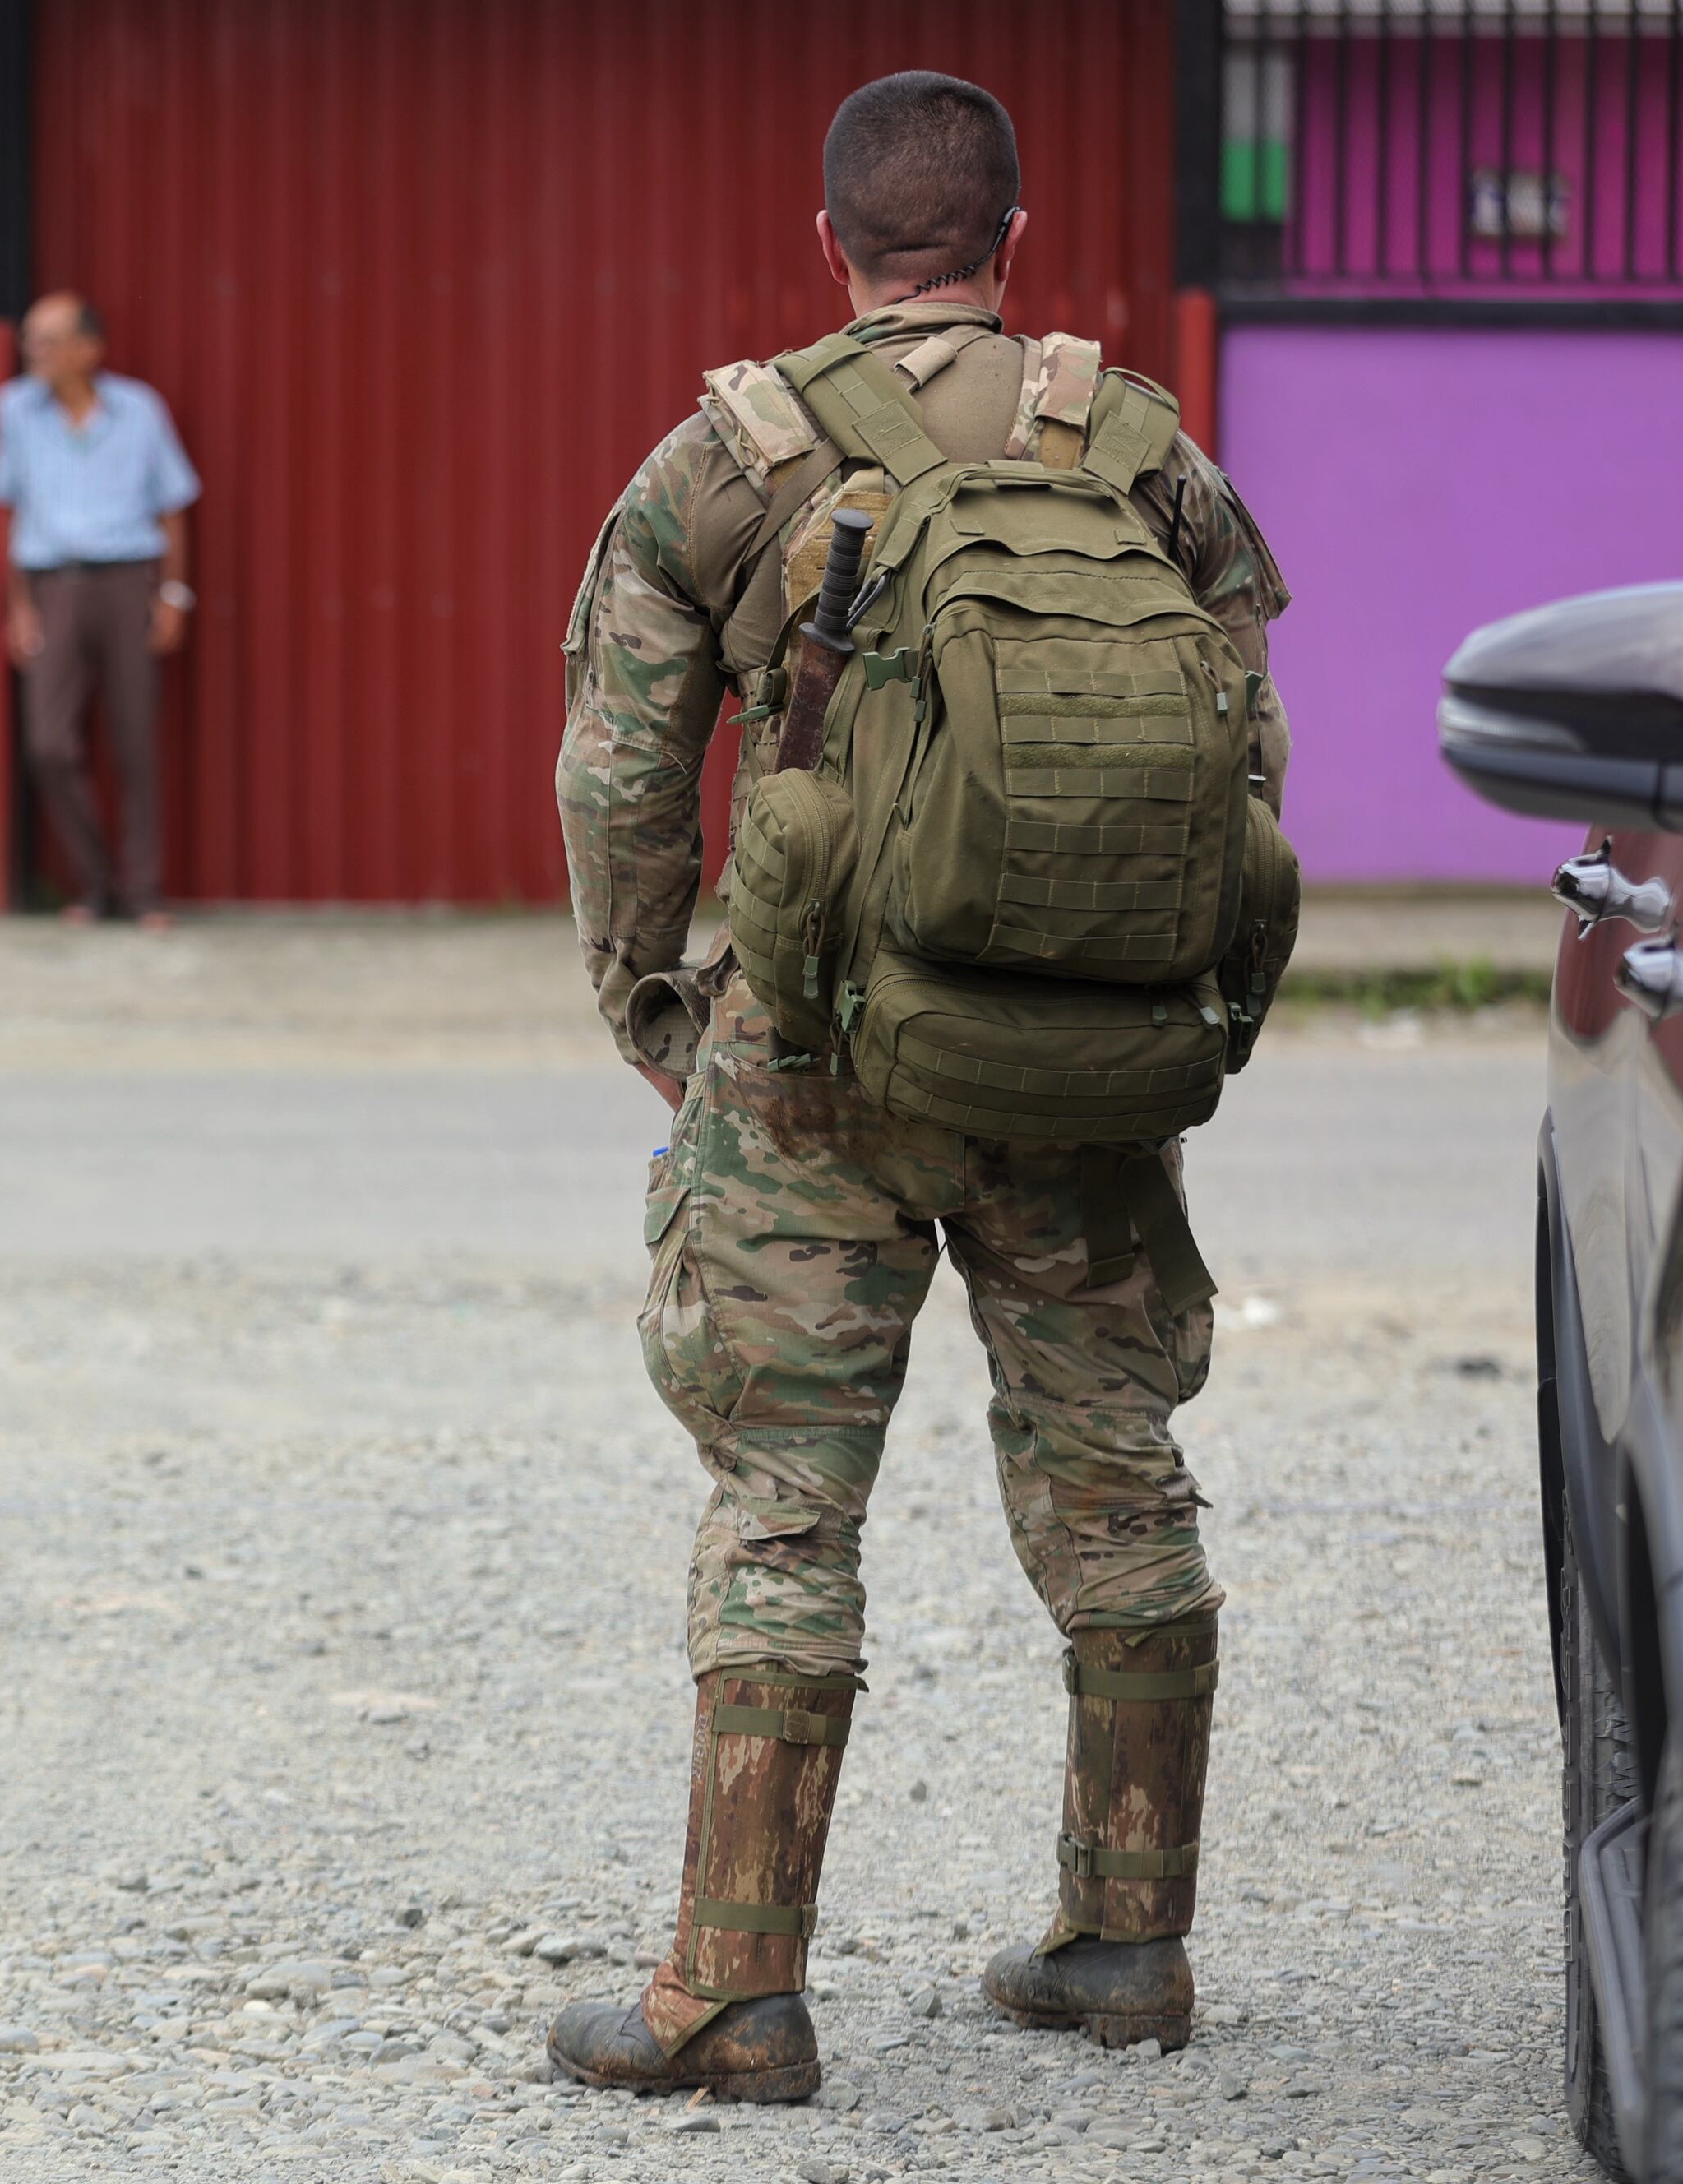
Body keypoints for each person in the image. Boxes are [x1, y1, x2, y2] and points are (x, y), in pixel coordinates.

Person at [543, 74, 1292, 2100]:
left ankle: (734, 1989)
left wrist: (665, 1017)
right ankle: (1127, 1939)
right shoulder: (1142, 451)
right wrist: (1158, 1001)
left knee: (785, 1500)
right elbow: (1247, 753)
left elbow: (620, 775)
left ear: (831, 247)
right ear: (1011, 241)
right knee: (1117, 1473)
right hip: (1081, 1057)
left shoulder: (730, 458)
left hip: (809, 1058)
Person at [0, 291, 201, 926]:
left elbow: (172, 507)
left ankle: (143, 891)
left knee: (135, 740)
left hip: (128, 581)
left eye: (49, 341)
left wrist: (173, 594)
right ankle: (95, 881)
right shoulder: (15, 410)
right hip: (53, 584)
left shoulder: (139, 410)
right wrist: (20, 607)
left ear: (88, 350)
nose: (35, 353)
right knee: (48, 742)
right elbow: (8, 510)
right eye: (31, 340)